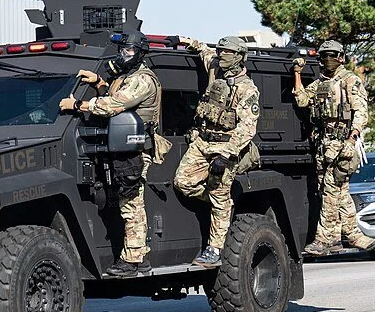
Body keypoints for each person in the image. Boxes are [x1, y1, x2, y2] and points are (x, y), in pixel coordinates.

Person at [60, 31, 171, 278]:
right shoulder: (127, 77)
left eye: (128, 51)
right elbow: (112, 95)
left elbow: (113, 105)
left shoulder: (142, 80)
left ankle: (132, 260)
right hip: (124, 148)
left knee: (131, 204)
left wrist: (78, 105)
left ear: (140, 53)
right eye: (122, 50)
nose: (123, 55)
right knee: (129, 201)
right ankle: (139, 257)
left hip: (136, 150)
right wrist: (99, 83)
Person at [172, 35, 261, 268]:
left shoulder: (247, 89)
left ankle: (214, 250)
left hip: (225, 146)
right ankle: (220, 198)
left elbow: (247, 128)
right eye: (220, 51)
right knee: (182, 182)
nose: (222, 55)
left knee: (220, 198)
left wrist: (226, 154)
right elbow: (204, 51)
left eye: (227, 52)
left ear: (239, 56)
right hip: (202, 142)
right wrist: (186, 41)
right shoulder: (215, 66)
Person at [293, 40, 375, 255]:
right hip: (323, 145)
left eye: (332, 55)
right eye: (324, 56)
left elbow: (361, 112)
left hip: (342, 144)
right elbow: (302, 101)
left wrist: (352, 140)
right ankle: (351, 236)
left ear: (341, 57)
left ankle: (323, 240)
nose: (328, 59)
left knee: (331, 191)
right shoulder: (320, 84)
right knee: (337, 191)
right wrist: (297, 73)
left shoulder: (350, 80)